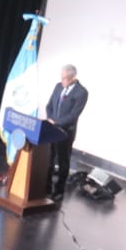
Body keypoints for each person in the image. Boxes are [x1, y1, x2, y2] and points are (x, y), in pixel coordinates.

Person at [44, 64, 89, 200]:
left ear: (73, 78)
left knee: (63, 161)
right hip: (52, 129)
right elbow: (49, 106)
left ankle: (59, 190)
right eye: (61, 77)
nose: (62, 81)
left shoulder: (81, 92)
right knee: (49, 158)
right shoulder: (58, 86)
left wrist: (56, 123)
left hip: (66, 132)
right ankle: (46, 186)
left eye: (65, 78)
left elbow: (73, 115)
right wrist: (50, 119)